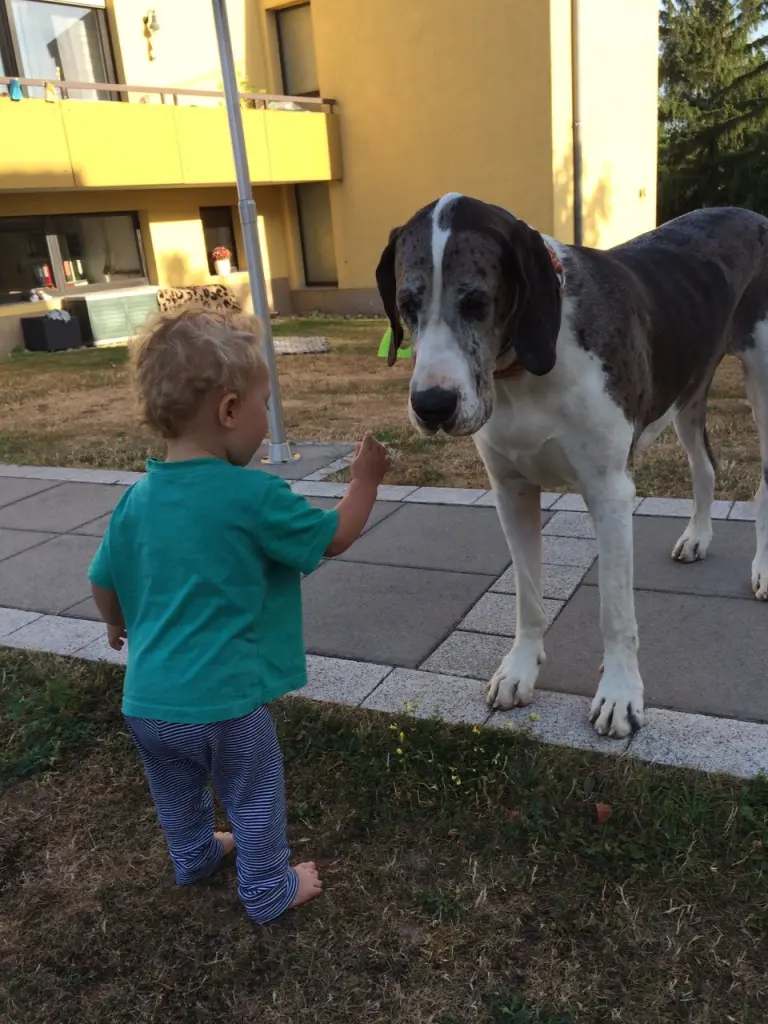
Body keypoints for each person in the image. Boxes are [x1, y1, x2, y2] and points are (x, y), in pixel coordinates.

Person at [88, 307, 390, 925]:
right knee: (253, 797)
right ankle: (269, 889)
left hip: (146, 704)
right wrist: (366, 480)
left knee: (175, 790)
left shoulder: (134, 501)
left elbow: (102, 580)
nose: (266, 418)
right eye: (264, 405)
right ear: (229, 411)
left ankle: (195, 855)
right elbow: (333, 537)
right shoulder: (253, 496)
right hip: (226, 707)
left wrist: (116, 624)